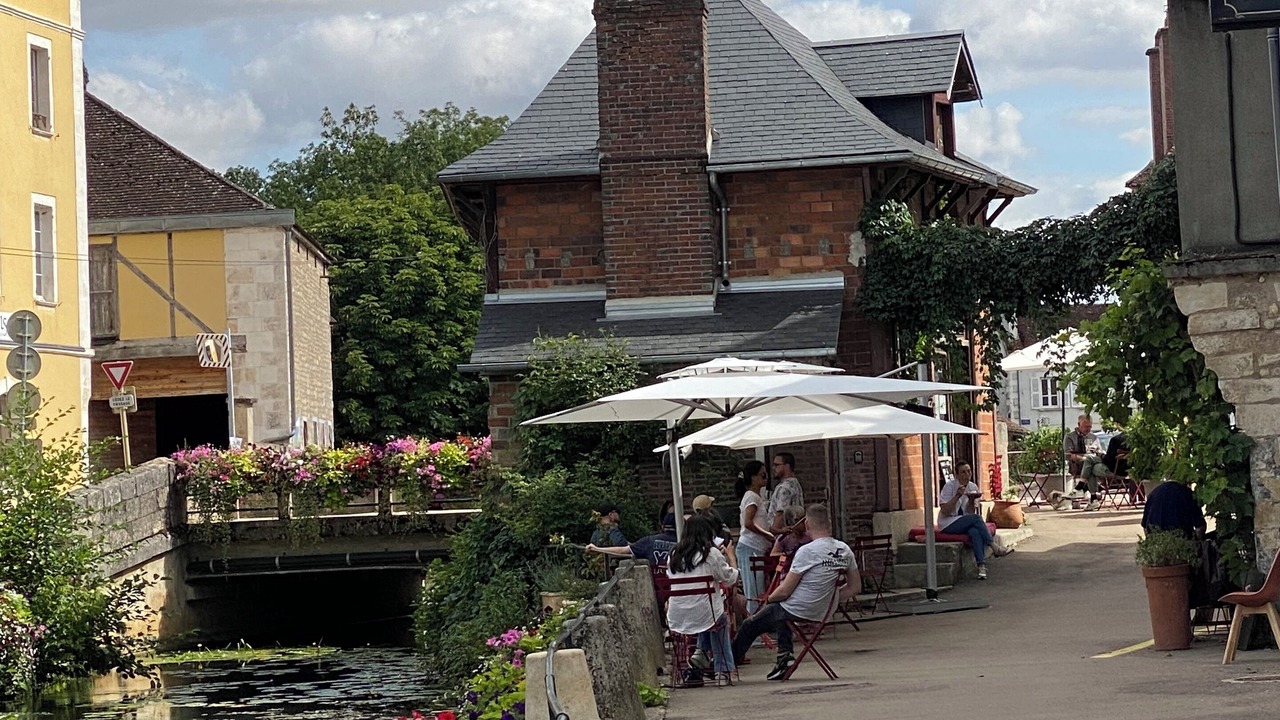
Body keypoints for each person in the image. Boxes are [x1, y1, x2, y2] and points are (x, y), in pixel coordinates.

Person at [730, 504, 858, 681]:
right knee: (780, 614)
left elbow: (784, 591)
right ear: (829, 524)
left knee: (750, 625)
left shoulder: (807, 551)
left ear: (806, 525)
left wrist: (768, 599)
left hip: (798, 608)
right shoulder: (845, 550)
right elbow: (855, 587)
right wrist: (831, 598)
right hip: (823, 611)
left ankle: (724, 666)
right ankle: (784, 657)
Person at [667, 514, 739, 687]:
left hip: (678, 615)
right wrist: (731, 557)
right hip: (707, 613)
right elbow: (729, 578)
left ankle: (701, 653)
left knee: (706, 612)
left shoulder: (673, 554)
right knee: (718, 618)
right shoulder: (711, 553)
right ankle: (722, 670)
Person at [936, 461, 1013, 580]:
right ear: (957, 475)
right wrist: (957, 496)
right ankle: (993, 546)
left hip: (964, 521)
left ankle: (981, 566)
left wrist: (972, 500)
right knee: (977, 519)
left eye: (969, 471)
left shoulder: (973, 487)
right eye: (963, 472)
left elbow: (970, 513)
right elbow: (945, 510)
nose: (967, 475)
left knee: (975, 532)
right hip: (948, 522)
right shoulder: (949, 487)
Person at [735, 460, 775, 613]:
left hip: (756, 546)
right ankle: (755, 623)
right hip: (750, 547)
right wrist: (768, 535)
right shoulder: (752, 497)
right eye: (762, 475)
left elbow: (760, 522)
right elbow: (749, 523)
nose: (766, 478)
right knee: (753, 588)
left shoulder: (755, 496)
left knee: (758, 585)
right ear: (753, 478)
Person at [587, 514, 678, 566]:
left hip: (656, 586)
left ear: (662, 526)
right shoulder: (686, 543)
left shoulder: (649, 541)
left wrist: (597, 549)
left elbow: (622, 550)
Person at [1141, 480, 1206, 539]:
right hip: (1182, 543)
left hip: (1156, 543)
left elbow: (1145, 527)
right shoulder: (1188, 494)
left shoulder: (1153, 494)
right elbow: (1200, 528)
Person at [767, 452, 804, 534]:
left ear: (787, 466)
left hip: (783, 534)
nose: (773, 468)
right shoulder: (795, 484)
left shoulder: (784, 488)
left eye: (777, 465)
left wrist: (774, 532)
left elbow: (780, 513)